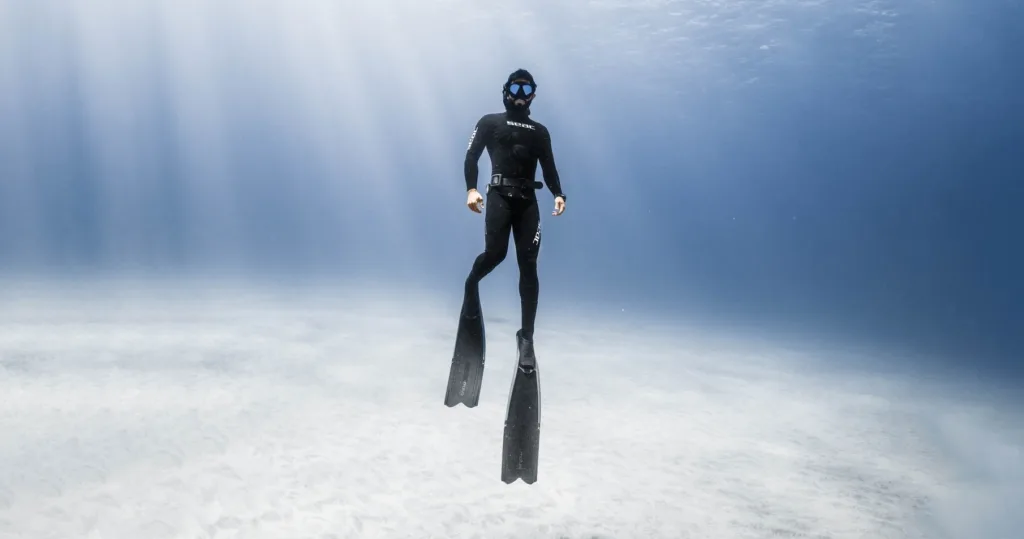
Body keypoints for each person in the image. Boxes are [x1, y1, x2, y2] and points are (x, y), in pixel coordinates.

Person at [460, 68, 567, 367]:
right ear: (505, 90)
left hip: (528, 202)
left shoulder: (540, 132)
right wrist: (471, 189)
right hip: (499, 197)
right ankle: (471, 284)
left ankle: (527, 338)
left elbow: (549, 168)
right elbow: (471, 156)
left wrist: (559, 193)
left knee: (529, 264)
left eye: (526, 90)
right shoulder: (489, 122)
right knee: (495, 254)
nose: (520, 97)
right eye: (515, 90)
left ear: (533, 94)